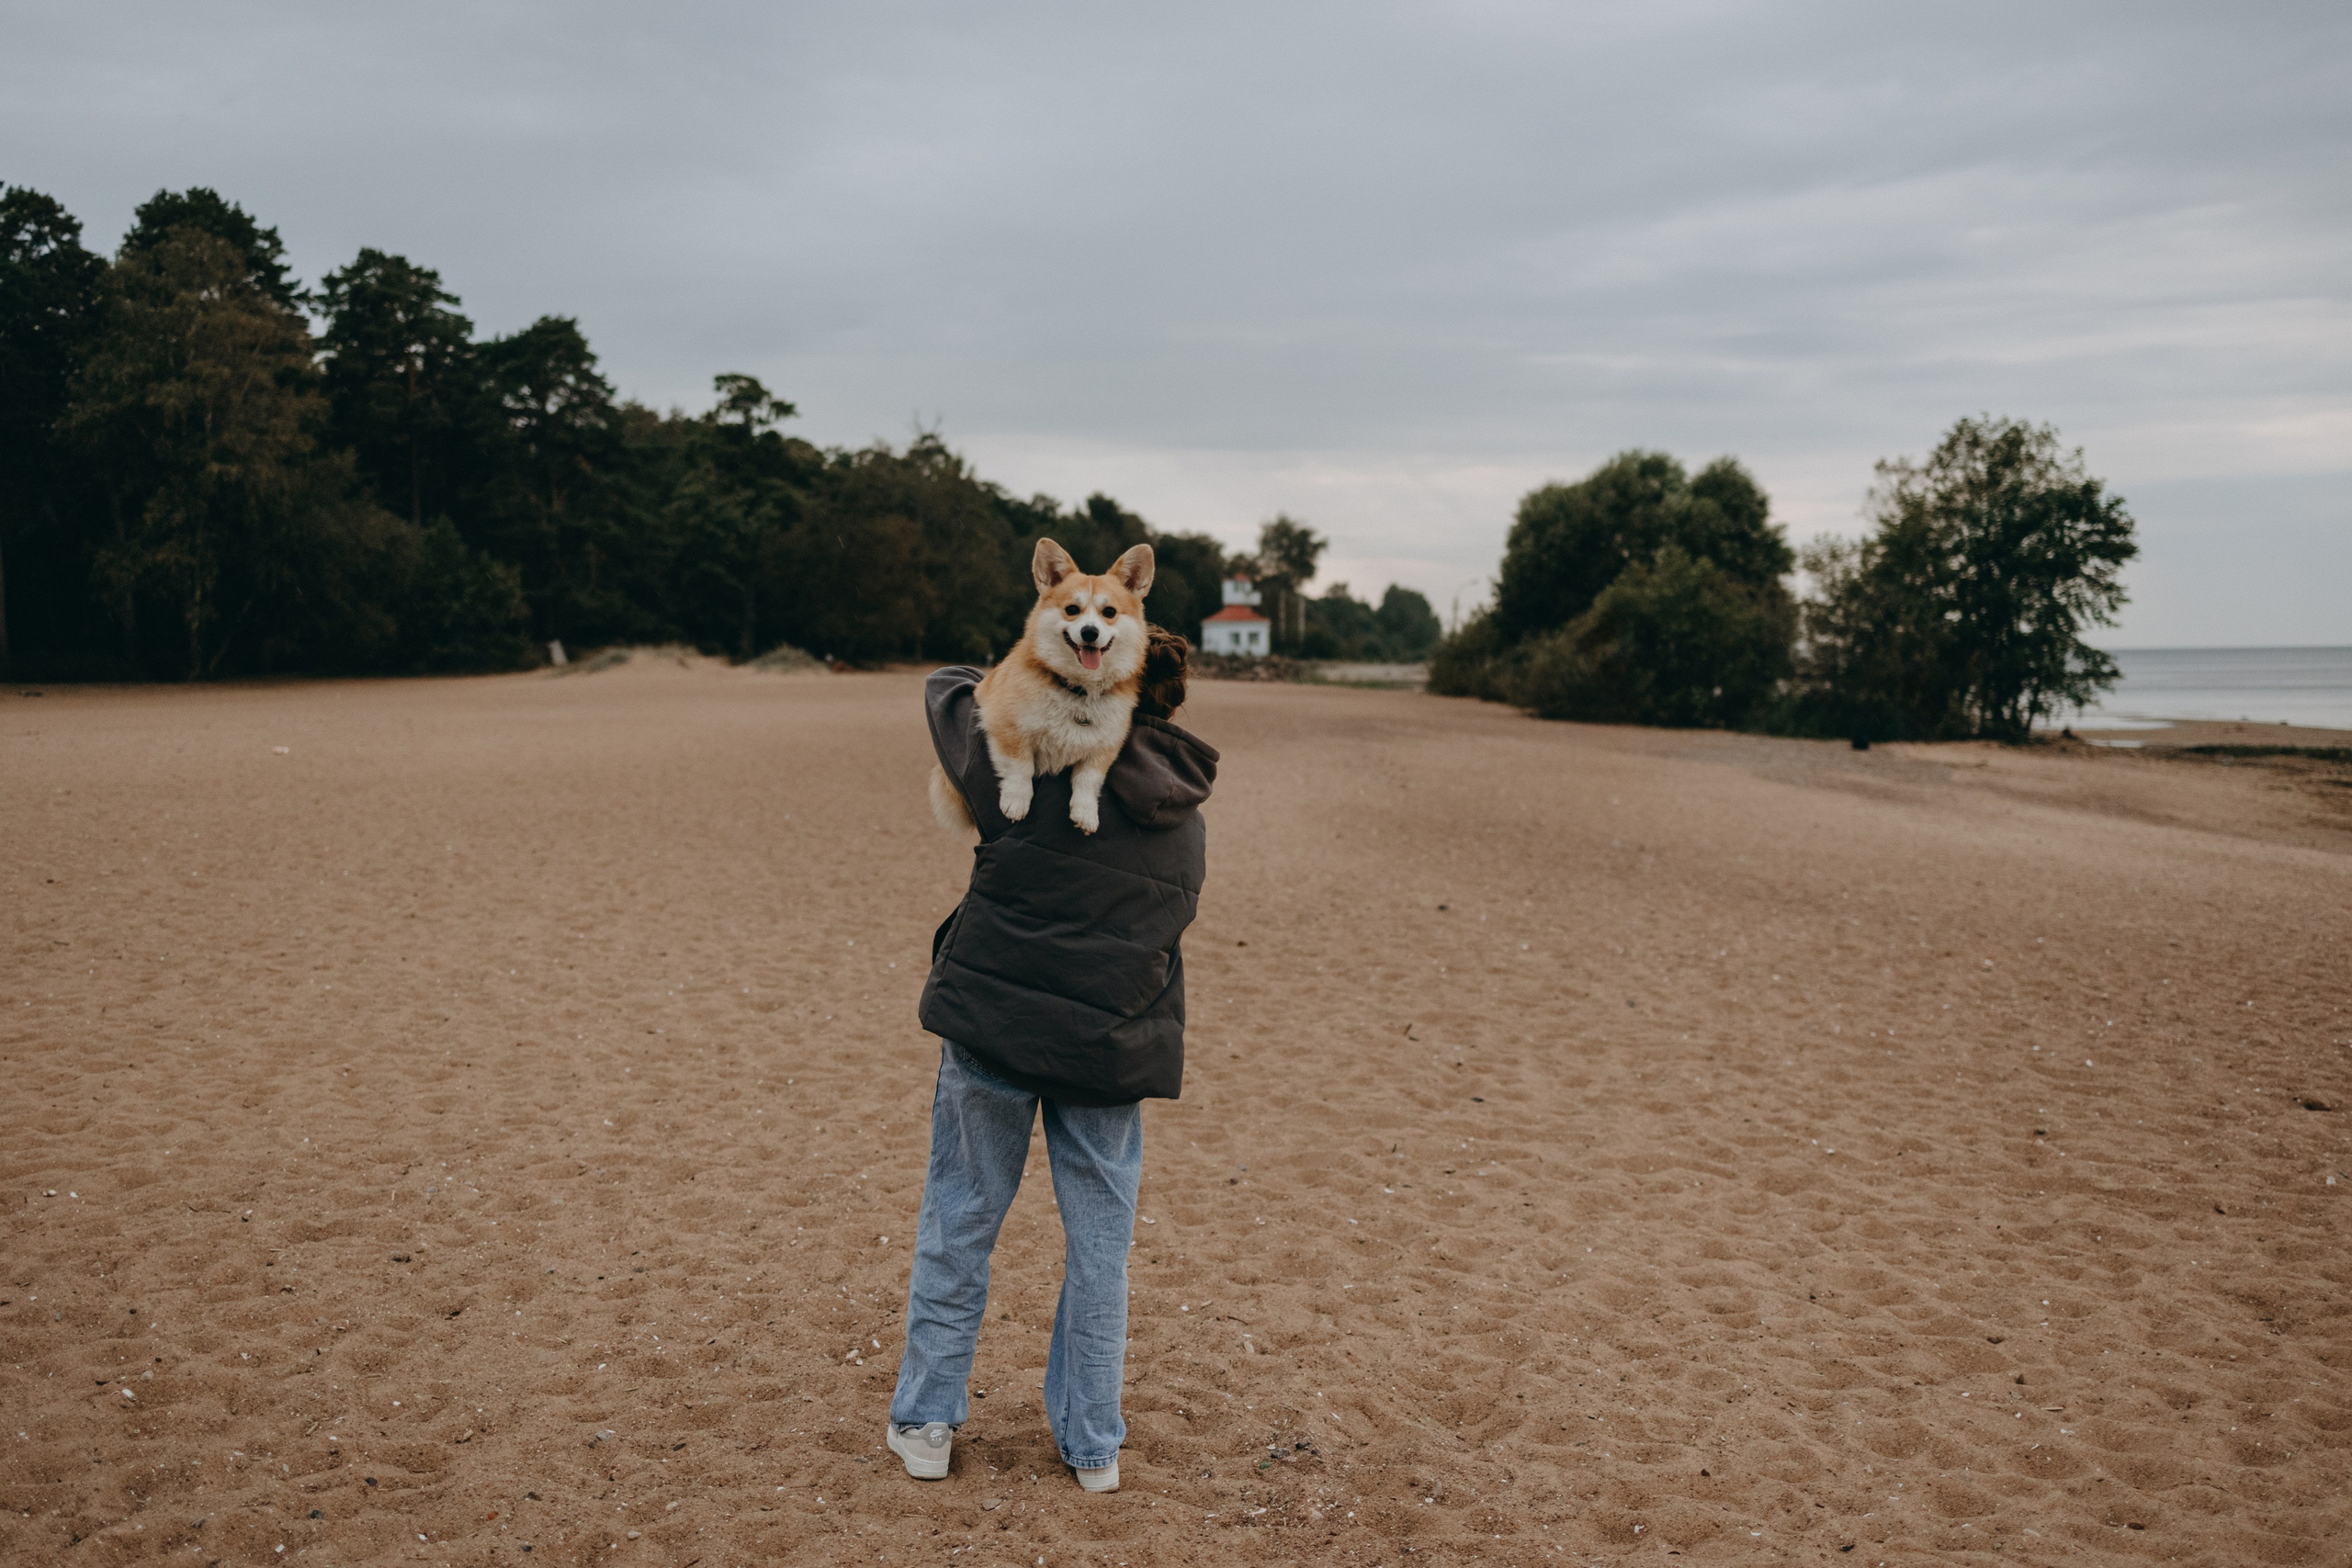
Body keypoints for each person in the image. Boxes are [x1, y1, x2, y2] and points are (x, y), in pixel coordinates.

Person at [888, 627, 1215, 1493]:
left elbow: (948, 687)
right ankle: (1093, 1443)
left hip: (994, 1029)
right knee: (1101, 1247)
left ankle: (926, 1421)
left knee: (960, 1219)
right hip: (1108, 1050)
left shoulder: (1024, 772)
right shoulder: (1186, 818)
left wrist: (1048, 659)